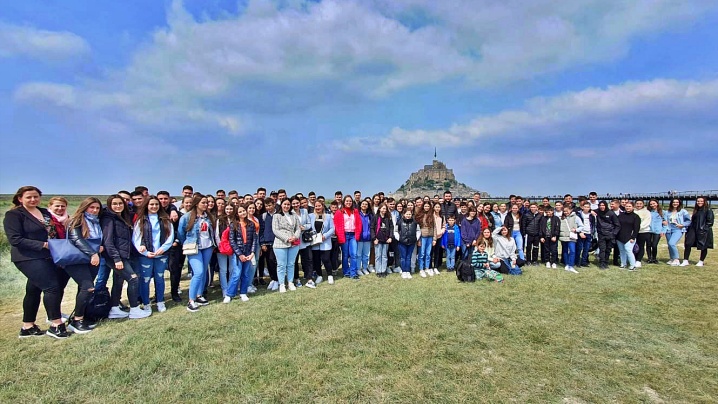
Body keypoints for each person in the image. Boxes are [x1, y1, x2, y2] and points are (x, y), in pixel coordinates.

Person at [4, 186, 68, 338]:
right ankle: (56, 324)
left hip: (48, 256)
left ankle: (27, 326)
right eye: (29, 197)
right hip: (28, 257)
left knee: (34, 290)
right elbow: (15, 239)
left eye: (36, 197)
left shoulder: (45, 212)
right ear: (20, 199)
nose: (33, 199)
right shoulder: (14, 215)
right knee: (52, 286)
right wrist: (42, 245)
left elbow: (54, 229)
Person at [102, 195, 149, 320]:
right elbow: (108, 241)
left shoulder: (122, 217)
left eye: (120, 204)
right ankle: (134, 309)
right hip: (116, 256)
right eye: (115, 204)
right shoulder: (109, 219)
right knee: (133, 279)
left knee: (118, 281)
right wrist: (116, 259)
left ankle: (114, 308)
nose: (118, 206)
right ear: (109, 205)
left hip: (124, 254)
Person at [65, 197, 104, 333]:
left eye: (97, 208)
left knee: (84, 289)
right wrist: (93, 253)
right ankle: (77, 321)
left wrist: (100, 248)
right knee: (88, 288)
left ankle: (81, 317)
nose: (94, 210)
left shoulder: (96, 222)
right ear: (84, 207)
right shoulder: (77, 220)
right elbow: (76, 239)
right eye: (91, 207)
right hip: (78, 259)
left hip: (92, 259)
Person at [133, 195, 174, 313]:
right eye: (151, 204)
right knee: (145, 280)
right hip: (146, 256)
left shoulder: (165, 219)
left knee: (159, 278)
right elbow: (136, 238)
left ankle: (160, 301)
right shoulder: (141, 220)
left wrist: (164, 248)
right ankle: (146, 303)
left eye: (156, 204)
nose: (154, 206)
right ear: (147, 205)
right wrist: (145, 252)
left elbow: (170, 236)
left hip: (161, 254)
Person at [178, 195, 215, 312]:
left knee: (203, 271)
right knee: (198, 272)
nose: (206, 204)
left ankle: (199, 296)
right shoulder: (187, 217)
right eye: (203, 202)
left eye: (207, 202)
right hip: (194, 247)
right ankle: (191, 301)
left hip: (207, 246)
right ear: (197, 203)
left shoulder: (208, 216)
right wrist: (187, 242)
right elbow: (180, 233)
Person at [226, 203, 257, 302]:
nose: (242, 213)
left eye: (243, 210)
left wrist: (252, 252)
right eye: (240, 211)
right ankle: (229, 294)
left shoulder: (251, 224)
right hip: (238, 253)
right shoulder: (233, 224)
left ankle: (243, 293)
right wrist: (239, 254)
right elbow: (232, 241)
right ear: (236, 213)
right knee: (236, 274)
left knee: (245, 274)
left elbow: (254, 240)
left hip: (248, 252)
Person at [272, 198, 302, 293]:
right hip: (281, 243)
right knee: (281, 265)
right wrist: (287, 238)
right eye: (285, 204)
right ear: (281, 205)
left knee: (291, 264)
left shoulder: (294, 215)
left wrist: (295, 237)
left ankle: (290, 282)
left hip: (293, 244)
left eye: (288, 204)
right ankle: (281, 284)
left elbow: (298, 228)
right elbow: (275, 230)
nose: (286, 206)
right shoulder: (277, 216)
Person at [333, 195, 362, 279]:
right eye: (347, 201)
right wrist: (339, 235)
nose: (348, 203)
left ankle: (353, 273)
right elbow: (336, 225)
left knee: (353, 254)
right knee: (345, 255)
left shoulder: (355, 211)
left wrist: (358, 234)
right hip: (344, 235)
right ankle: (346, 272)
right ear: (343, 202)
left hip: (353, 235)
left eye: (350, 201)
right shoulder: (339, 212)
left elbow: (359, 224)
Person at [683, 196, 713, 266]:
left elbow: (710, 222)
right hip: (693, 229)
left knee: (704, 245)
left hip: (703, 230)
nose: (699, 202)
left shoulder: (708, 210)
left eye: (701, 201)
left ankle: (701, 261)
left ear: (705, 202)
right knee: (688, 243)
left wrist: (704, 229)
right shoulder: (696, 210)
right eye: (698, 201)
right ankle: (685, 260)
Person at [311, 200, 336, 284]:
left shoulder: (328, 216)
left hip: (325, 241)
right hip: (315, 242)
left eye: (319, 206)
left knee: (326, 259)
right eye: (316, 206)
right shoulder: (311, 216)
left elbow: (332, 229)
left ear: (322, 206)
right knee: (316, 260)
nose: (318, 207)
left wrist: (325, 236)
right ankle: (319, 275)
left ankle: (329, 275)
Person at [215, 203, 235, 300]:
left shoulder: (236, 220)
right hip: (222, 248)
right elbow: (217, 234)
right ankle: (224, 289)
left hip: (233, 248)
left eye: (231, 209)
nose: (229, 211)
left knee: (232, 269)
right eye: (227, 209)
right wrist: (220, 246)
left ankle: (231, 288)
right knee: (223, 270)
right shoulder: (220, 219)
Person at [394, 208, 421, 279]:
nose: (408, 215)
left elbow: (418, 230)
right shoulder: (399, 222)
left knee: (409, 257)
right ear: (404, 214)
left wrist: (416, 238)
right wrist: (398, 238)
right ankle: (403, 272)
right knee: (403, 257)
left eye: (409, 214)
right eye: (407, 214)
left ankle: (408, 271)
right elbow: (395, 231)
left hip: (411, 242)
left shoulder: (415, 222)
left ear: (411, 214)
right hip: (402, 242)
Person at [664, 198, 691, 266]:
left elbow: (688, 221)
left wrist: (682, 225)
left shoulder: (683, 211)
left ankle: (676, 259)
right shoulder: (668, 212)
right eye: (674, 202)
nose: (675, 203)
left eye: (677, 202)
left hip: (678, 229)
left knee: (672, 243)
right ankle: (672, 258)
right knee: (669, 245)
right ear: (671, 203)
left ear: (679, 203)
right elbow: (664, 219)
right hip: (669, 229)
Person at [260, 197, 279, 290]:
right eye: (266, 206)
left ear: (274, 204)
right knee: (269, 261)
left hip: (278, 242)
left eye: (270, 205)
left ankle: (277, 279)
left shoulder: (279, 214)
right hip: (267, 243)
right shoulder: (263, 216)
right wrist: (262, 243)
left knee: (276, 261)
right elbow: (261, 230)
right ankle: (273, 279)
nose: (268, 207)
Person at [594, 200, 620, 270]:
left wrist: (614, 234)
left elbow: (617, 225)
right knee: (602, 249)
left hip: (610, 234)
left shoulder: (611, 213)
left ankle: (606, 262)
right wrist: (591, 211)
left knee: (608, 250)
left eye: (603, 205)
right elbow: (590, 210)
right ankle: (602, 263)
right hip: (601, 234)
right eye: (600, 205)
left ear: (606, 206)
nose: (602, 207)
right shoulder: (597, 212)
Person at [370, 202, 393, 278]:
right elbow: (372, 228)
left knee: (384, 256)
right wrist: (374, 238)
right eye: (383, 208)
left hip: (386, 239)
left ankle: (383, 270)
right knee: (378, 256)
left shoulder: (388, 218)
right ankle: (378, 270)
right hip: (377, 239)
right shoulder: (375, 217)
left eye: (385, 209)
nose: (384, 210)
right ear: (379, 209)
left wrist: (390, 237)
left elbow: (391, 228)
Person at [616, 201, 640, 270]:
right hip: (620, 237)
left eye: (629, 206)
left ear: (633, 207)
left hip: (629, 237)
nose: (628, 207)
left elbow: (636, 228)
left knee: (628, 250)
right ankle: (623, 264)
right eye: (626, 206)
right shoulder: (620, 215)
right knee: (621, 251)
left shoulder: (636, 217)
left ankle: (633, 265)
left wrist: (633, 237)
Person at [415, 201, 435, 278]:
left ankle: (427, 268)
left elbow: (434, 227)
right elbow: (417, 228)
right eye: (425, 206)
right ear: (423, 206)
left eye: (428, 206)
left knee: (428, 254)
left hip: (430, 236)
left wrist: (434, 238)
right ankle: (421, 269)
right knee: (421, 254)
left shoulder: (431, 215)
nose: (426, 207)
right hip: (422, 236)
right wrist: (418, 239)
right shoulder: (419, 215)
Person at [558, 205, 579, 273]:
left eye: (567, 211)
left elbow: (581, 226)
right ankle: (567, 264)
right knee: (565, 250)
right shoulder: (561, 218)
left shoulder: (576, 217)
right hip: (564, 236)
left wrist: (576, 229)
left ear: (570, 210)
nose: (566, 212)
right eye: (564, 211)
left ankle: (571, 265)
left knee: (572, 251)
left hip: (571, 236)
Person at [575, 201, 595, 268]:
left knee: (586, 249)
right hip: (581, 233)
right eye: (585, 207)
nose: (586, 208)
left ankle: (584, 262)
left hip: (589, 233)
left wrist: (592, 232)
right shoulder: (578, 214)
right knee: (579, 248)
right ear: (582, 207)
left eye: (588, 207)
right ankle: (577, 262)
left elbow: (593, 224)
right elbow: (576, 224)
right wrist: (580, 232)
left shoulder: (591, 215)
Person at [646, 199, 667, 264]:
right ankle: (649, 258)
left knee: (654, 245)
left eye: (654, 203)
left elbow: (665, 223)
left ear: (657, 203)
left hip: (657, 231)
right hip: (648, 230)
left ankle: (654, 258)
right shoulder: (648, 212)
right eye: (651, 204)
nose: (652, 205)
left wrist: (663, 231)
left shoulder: (662, 212)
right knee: (648, 245)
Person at [356, 200, 373, 276]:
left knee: (366, 255)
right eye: (363, 204)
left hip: (368, 238)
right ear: (360, 205)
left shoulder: (370, 215)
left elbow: (372, 226)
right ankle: (358, 269)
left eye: (366, 204)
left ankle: (365, 268)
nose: (364, 205)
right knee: (358, 254)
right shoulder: (357, 214)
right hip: (359, 238)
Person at [633, 200, 652, 267]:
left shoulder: (647, 212)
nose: (638, 205)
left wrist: (637, 228)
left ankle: (638, 260)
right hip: (633, 232)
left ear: (643, 204)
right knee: (633, 246)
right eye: (637, 203)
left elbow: (646, 222)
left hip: (643, 231)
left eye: (640, 204)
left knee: (641, 246)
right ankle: (634, 259)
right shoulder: (633, 211)